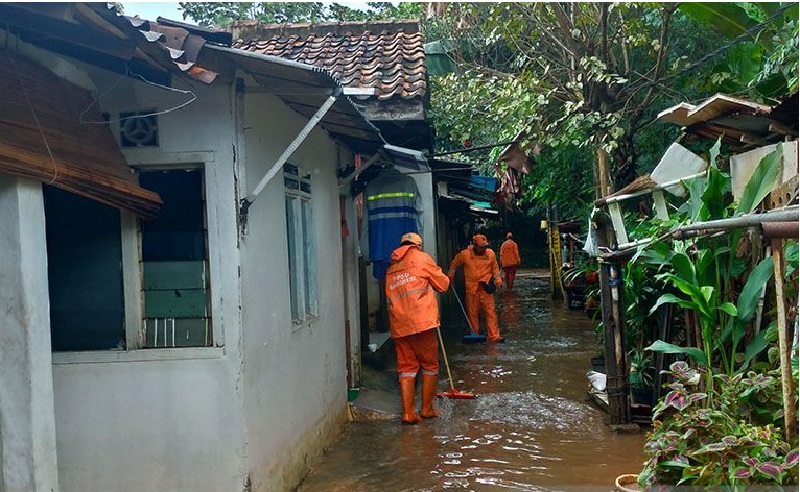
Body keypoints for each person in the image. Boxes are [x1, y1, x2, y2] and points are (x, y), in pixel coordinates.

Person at [385, 232, 450, 425]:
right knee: (430, 366)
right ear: (417, 245)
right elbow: (443, 284)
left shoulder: (392, 267)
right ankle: (427, 409)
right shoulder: (422, 258)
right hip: (421, 323)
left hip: (399, 325)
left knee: (406, 369)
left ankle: (408, 413)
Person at [447, 234, 504, 343]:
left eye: (485, 246)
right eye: (481, 247)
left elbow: (495, 270)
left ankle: (494, 337)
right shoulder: (465, 255)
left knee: (491, 313)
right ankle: (475, 334)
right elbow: (454, 264)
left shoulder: (490, 254)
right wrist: (450, 277)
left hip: (486, 289)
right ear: (474, 245)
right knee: (472, 314)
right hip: (471, 290)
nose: (483, 249)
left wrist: (498, 283)